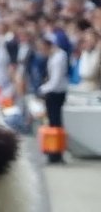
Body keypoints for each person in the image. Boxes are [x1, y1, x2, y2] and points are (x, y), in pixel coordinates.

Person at [39, 32, 70, 164]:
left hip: (56, 94)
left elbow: (55, 81)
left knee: (55, 124)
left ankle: (56, 153)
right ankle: (53, 151)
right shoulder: (55, 56)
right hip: (53, 92)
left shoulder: (58, 57)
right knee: (53, 123)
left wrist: (42, 89)